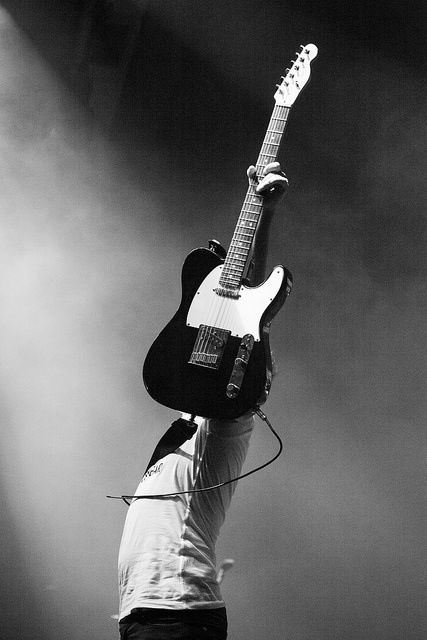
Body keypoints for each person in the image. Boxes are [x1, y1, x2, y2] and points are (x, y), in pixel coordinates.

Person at [117, 163, 288, 640]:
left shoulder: (225, 421)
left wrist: (261, 211)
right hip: (150, 615)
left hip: (175, 616)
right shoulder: (184, 427)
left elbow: (246, 310)